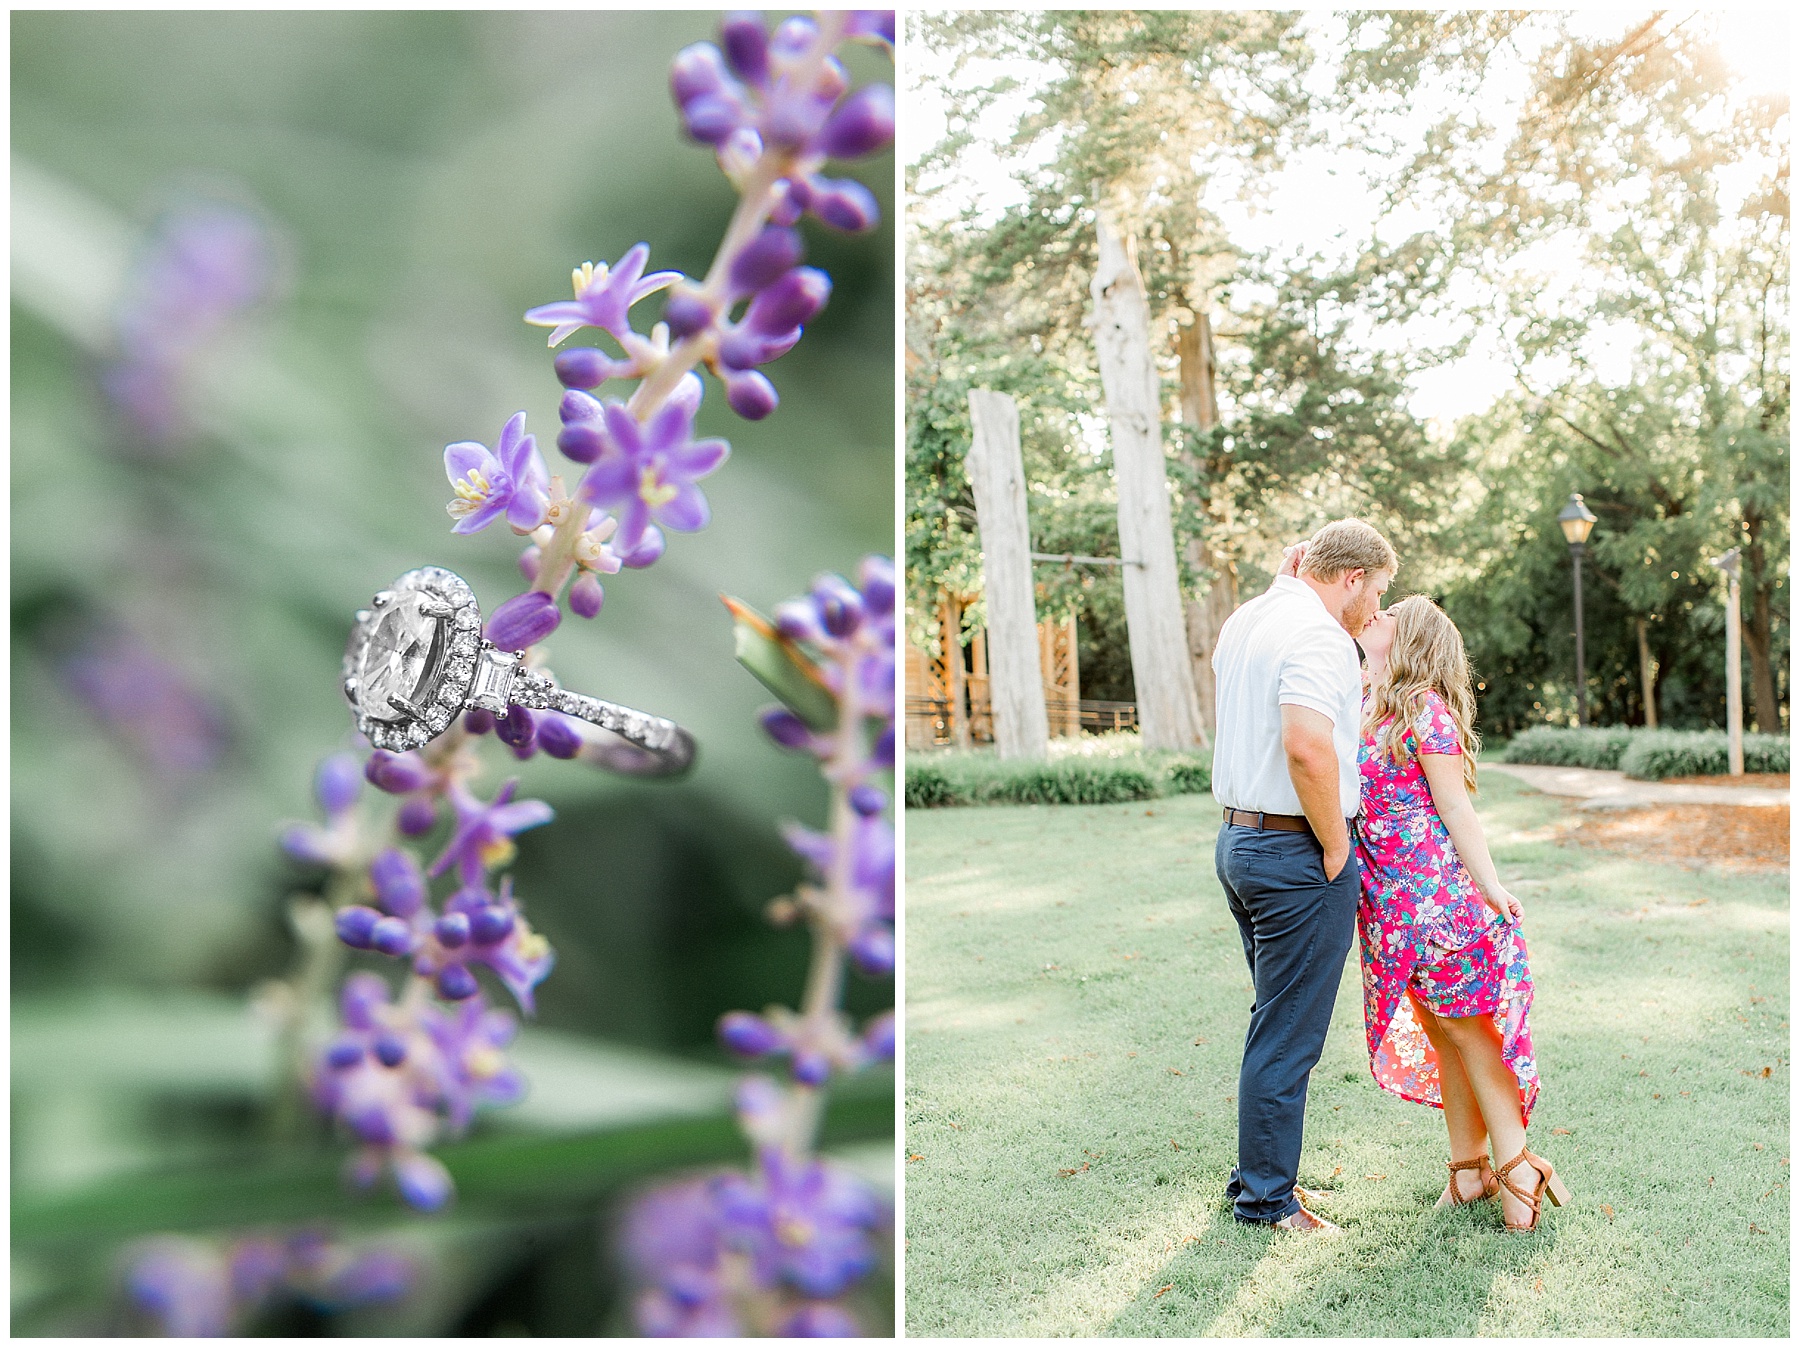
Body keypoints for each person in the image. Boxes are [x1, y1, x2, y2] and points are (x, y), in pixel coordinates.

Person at [1349, 591, 1571, 1232]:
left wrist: (1492, 886)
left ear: (1411, 638)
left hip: (1439, 902)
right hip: (1390, 907)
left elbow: (1456, 810)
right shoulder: (1370, 706)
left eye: (1388, 615)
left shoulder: (1427, 713)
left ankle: (1518, 1166)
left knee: (1473, 1032)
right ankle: (1468, 1168)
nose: (1375, 616)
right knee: (1441, 1032)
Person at [1210, 518, 1396, 1232]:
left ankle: (1254, 1180)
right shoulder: (1319, 635)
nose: (1375, 609)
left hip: (1239, 842)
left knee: (1273, 1022)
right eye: (1376, 591)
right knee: (1288, 1034)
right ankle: (1267, 1203)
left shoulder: (1250, 618)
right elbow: (1307, 747)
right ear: (1351, 578)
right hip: (1295, 854)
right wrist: (1335, 848)